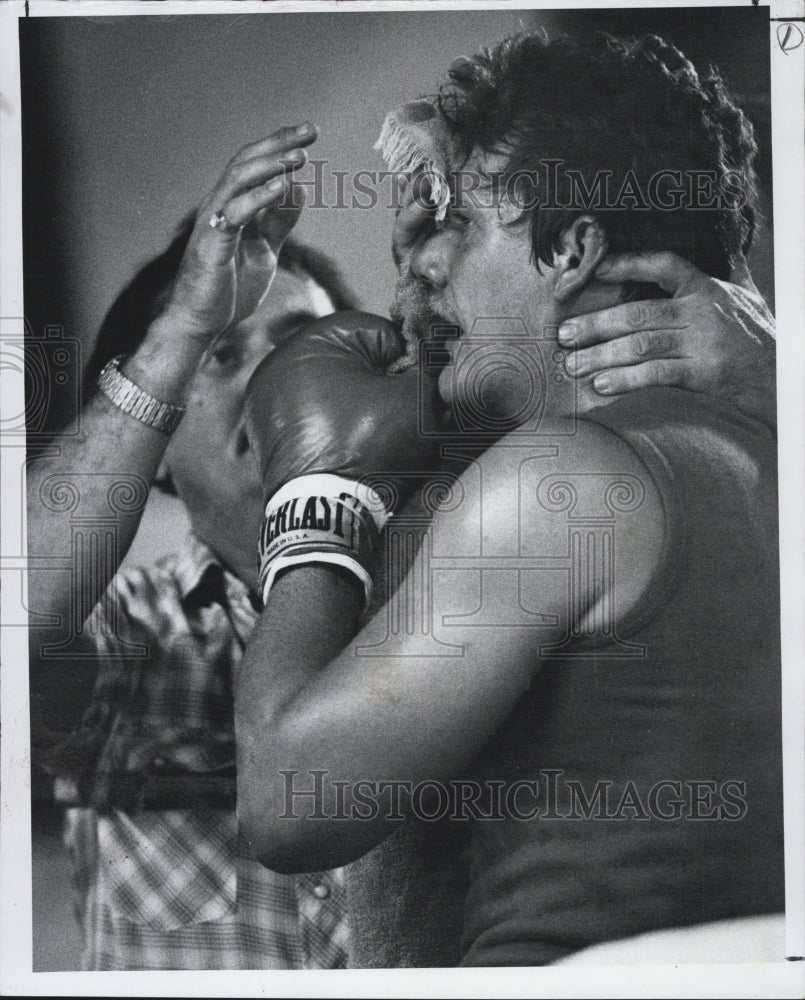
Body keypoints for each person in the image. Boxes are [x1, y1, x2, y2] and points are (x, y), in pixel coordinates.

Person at [30, 99, 775, 969]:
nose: (272, 375)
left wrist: (779, 378)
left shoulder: (477, 547)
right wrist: (180, 330)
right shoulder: (144, 635)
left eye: (303, 341)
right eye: (220, 356)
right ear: (155, 448)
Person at [235, 32, 783, 967]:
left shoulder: (553, 485)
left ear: (570, 248)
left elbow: (287, 805)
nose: (427, 264)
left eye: (461, 221)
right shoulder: (768, 443)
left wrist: (316, 498)